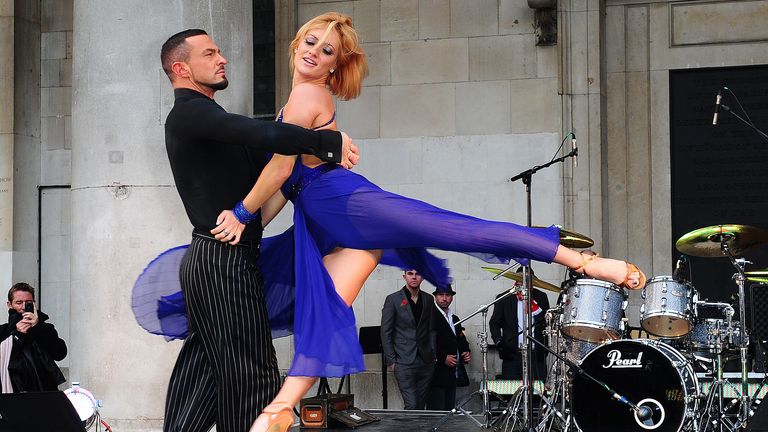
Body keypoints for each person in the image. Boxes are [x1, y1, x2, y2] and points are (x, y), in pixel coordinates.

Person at [189, 12, 644, 432]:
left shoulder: (307, 95)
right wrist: (249, 224)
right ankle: (279, 410)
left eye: (327, 50)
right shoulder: (299, 98)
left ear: (334, 65)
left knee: (456, 228)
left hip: (351, 207)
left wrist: (242, 214)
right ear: (295, 44)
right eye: (310, 41)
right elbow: (282, 185)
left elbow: (281, 172)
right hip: (326, 223)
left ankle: (581, 262)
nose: (314, 52)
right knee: (325, 317)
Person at [158, 28, 360, 432]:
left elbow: (274, 172)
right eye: (210, 53)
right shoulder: (190, 114)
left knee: (203, 375)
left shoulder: (211, 121)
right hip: (222, 260)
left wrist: (304, 158)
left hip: (216, 259)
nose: (223, 59)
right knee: (253, 377)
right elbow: (265, 134)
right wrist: (326, 141)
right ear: (182, 68)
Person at [380, 270, 437, 410]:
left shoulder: (428, 299)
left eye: (418, 273)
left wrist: (433, 354)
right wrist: (392, 361)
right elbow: (385, 331)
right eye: (410, 273)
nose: (414, 276)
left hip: (426, 361)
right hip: (403, 360)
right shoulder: (393, 299)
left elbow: (431, 329)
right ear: (404, 276)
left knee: (421, 405)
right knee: (411, 404)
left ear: (422, 277)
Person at [0, 282, 67, 393]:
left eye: (28, 302)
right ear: (9, 304)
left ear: (34, 303)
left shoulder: (45, 328)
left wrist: (37, 327)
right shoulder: (3, 331)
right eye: (19, 302)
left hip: (44, 392)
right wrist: (18, 335)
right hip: (12, 393)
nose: (23, 307)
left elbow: (60, 353)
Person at [489, 271, 551, 380]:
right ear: (515, 279)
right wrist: (499, 342)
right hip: (512, 354)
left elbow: (546, 323)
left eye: (528, 280)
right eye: (520, 279)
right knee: (512, 391)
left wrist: (545, 346)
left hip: (536, 355)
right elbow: (494, 323)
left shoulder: (541, 297)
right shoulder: (504, 297)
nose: (524, 282)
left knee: (538, 392)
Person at [427, 285, 471, 411]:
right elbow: (425, 343)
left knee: (449, 412)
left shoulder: (454, 318)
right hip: (436, 374)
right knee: (437, 412)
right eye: (441, 295)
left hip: (452, 374)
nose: (444, 298)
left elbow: (461, 340)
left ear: (452, 298)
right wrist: (442, 357)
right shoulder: (430, 316)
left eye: (448, 295)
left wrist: (466, 352)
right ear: (435, 297)